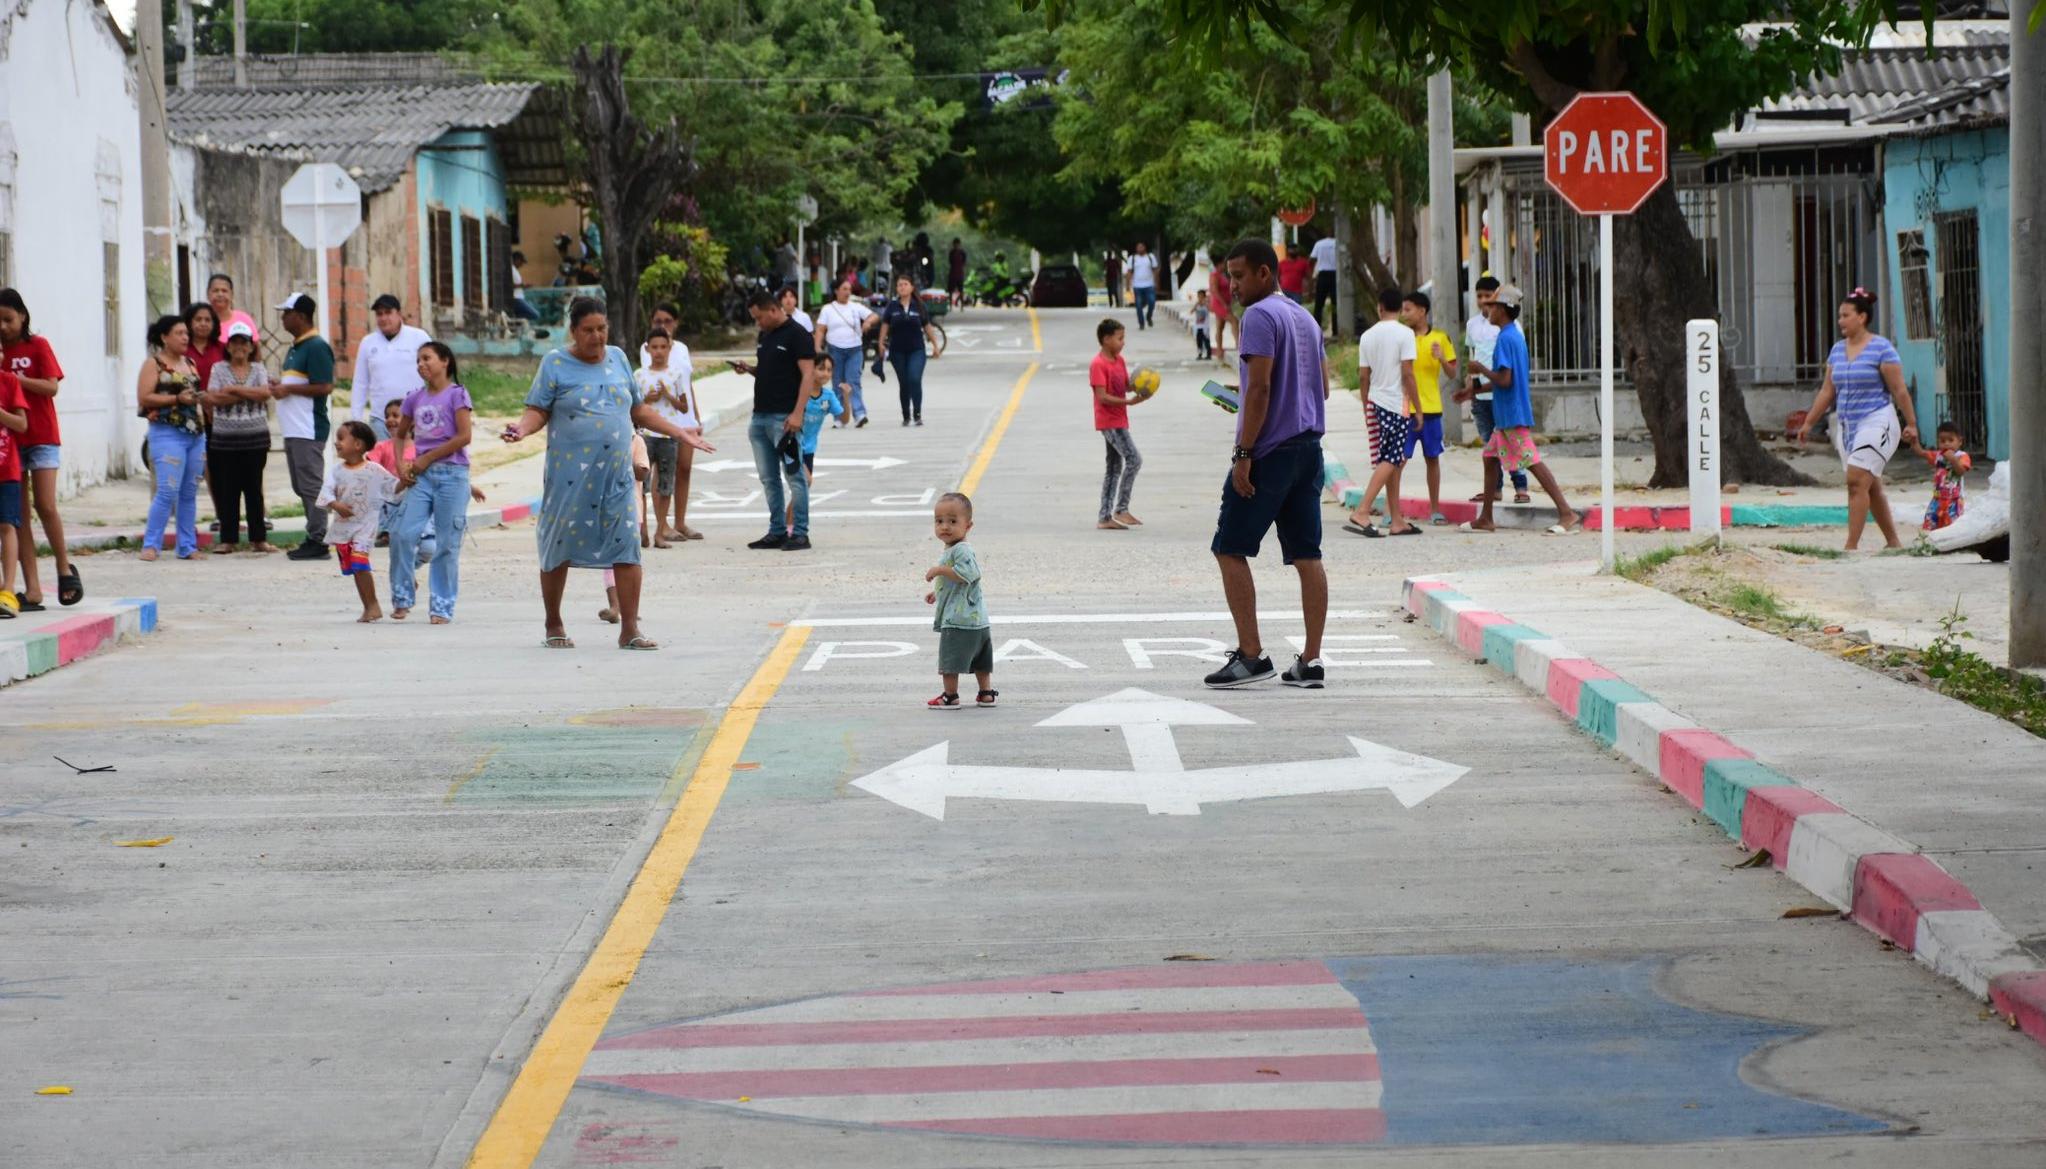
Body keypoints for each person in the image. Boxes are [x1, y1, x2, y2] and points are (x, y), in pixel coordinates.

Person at [502, 297, 715, 649]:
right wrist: (522, 429)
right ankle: (554, 623)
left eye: (602, 329)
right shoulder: (555, 363)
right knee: (557, 546)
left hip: (616, 478)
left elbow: (638, 410)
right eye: (588, 330)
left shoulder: (617, 358)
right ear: (573, 331)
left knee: (627, 545)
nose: (597, 336)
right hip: (569, 479)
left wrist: (680, 432)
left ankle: (630, 629)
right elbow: (537, 410)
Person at [1209, 239, 1330, 690]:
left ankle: (1251, 655)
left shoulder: (1258, 317)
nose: (1233, 286)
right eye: (1230, 277)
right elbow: (1319, 388)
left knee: (1229, 548)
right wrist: (1243, 398)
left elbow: (1261, 388)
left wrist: (1243, 454)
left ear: (1265, 272)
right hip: (1308, 451)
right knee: (1307, 555)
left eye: (1239, 276)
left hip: (1269, 454)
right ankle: (1311, 661)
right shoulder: (1304, 317)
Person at [1796, 288, 1918, 551]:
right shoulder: (1837, 351)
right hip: (1847, 426)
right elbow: (1827, 391)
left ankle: (1850, 547)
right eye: (1840, 316)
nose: (1840, 320)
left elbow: (1899, 390)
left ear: (1862, 317)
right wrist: (1808, 422)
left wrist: (1911, 424)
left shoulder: (1882, 348)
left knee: (1855, 481)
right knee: (1870, 485)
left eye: (1845, 315)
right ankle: (1894, 542)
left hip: (1877, 421)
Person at [1457, 284, 1580, 534]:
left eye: (1492, 306)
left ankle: (1566, 513)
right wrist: (1474, 390)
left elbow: (1505, 380)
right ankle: (1486, 517)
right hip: (1507, 414)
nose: (1488, 309)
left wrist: (1479, 369)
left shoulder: (1505, 338)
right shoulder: (1513, 335)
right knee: (1489, 458)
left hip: (1511, 414)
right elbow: (1505, 379)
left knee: (1532, 461)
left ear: (1503, 310)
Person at [0, 288, 81, 607]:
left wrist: (11, 379)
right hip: (10, 443)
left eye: (8, 319)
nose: (4, 326)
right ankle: (32, 588)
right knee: (17, 517)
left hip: (43, 436)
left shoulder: (38, 345)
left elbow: (51, 386)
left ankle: (64, 568)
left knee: (45, 505)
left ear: (22, 316)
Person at [388, 341, 473, 624]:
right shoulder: (414, 398)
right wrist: (401, 464)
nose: (421, 364)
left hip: (453, 475)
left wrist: (427, 458)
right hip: (421, 478)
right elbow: (400, 435)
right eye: (418, 360)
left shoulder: (457, 395)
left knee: (446, 544)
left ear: (445, 361)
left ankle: (441, 607)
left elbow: (464, 436)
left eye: (427, 358)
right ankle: (402, 597)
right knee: (401, 534)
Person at [731, 289, 815, 551]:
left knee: (794, 477)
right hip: (760, 417)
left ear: (773, 310)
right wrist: (749, 370)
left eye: (759, 317)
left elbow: (808, 375)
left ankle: (800, 533)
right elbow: (771, 371)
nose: (758, 323)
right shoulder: (765, 336)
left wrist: (798, 413)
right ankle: (777, 531)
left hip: (785, 419)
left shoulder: (798, 334)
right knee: (769, 479)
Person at [1346, 288, 1422, 539]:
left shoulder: (1367, 336)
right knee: (1391, 458)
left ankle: (1396, 519)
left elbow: (1363, 376)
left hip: (1375, 403)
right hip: (1396, 404)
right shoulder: (1405, 334)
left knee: (1391, 460)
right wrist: (1418, 409)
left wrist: (1366, 405)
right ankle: (1363, 510)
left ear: (1380, 308)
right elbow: (1408, 374)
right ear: (1400, 308)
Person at [135, 314, 206, 561]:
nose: (185, 337)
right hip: (167, 433)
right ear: (164, 337)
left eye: (186, 333)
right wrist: (177, 399)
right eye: (179, 333)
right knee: (167, 490)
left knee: (189, 491)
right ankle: (151, 545)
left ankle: (187, 545)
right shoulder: (153, 364)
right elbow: (144, 397)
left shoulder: (190, 363)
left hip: (195, 434)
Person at [204, 321, 277, 554]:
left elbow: (265, 393)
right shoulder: (218, 369)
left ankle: (258, 539)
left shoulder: (258, 369)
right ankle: (228, 539)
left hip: (255, 439)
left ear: (251, 346)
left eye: (243, 342)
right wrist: (248, 393)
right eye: (234, 342)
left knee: (254, 489)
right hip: (225, 439)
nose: (239, 347)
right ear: (228, 346)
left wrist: (233, 390)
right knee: (228, 489)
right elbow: (213, 398)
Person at [273, 294, 337, 561]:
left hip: (308, 428)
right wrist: (281, 386)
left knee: (311, 486)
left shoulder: (316, 347)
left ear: (299, 316)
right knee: (301, 486)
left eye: (286, 313)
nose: (282, 318)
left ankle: (318, 539)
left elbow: (325, 386)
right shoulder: (296, 348)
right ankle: (313, 533)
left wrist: (288, 390)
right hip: (294, 429)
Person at [316, 420, 396, 623]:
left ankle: (373, 606)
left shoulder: (375, 470)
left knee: (360, 563)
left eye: (341, 438)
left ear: (358, 444)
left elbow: (394, 489)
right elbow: (326, 492)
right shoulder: (336, 471)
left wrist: (407, 479)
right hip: (344, 529)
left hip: (366, 528)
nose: (336, 442)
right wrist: (335, 505)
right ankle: (369, 605)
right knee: (355, 568)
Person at [924, 491, 995, 710]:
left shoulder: (962, 550)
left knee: (950, 659)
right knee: (980, 659)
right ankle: (985, 693)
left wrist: (939, 570)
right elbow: (957, 582)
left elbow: (968, 574)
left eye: (953, 521)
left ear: (968, 526)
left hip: (958, 618)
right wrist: (938, 592)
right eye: (939, 521)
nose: (945, 527)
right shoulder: (953, 549)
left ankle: (950, 696)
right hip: (975, 618)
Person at [638, 305, 703, 542]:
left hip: (683, 417)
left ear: (676, 322)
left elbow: (687, 384)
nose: (663, 325)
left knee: (683, 468)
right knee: (659, 472)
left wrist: (696, 415)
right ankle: (661, 526)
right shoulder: (647, 349)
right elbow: (647, 382)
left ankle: (680, 522)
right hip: (659, 421)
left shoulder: (682, 349)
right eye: (658, 321)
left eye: (667, 321)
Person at [1463, 277, 1528, 504]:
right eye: (1480, 296)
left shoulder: (1509, 332)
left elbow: (1509, 374)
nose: (1484, 302)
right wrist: (1472, 385)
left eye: (1489, 298)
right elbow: (1473, 356)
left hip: (1505, 399)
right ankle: (1493, 492)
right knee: (1490, 448)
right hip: (1484, 395)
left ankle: (1521, 486)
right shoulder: (1474, 325)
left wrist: (1482, 370)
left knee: (1517, 448)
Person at [1403, 290, 1457, 524]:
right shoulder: (1402, 337)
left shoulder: (1441, 338)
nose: (1405, 314)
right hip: (1406, 409)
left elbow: (1452, 373)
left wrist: (1442, 357)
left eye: (1408, 310)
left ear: (1422, 311)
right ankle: (1390, 512)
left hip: (1432, 409)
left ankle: (1435, 510)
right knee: (1398, 461)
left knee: (1432, 459)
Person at [1090, 319, 1148, 531]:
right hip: (1109, 421)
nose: (1123, 342)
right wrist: (1129, 402)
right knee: (1134, 459)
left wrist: (1143, 386)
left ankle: (1104, 517)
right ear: (1106, 339)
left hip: (1120, 419)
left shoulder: (1119, 360)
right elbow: (1102, 396)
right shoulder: (1098, 364)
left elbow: (1125, 385)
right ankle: (1121, 509)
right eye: (1119, 338)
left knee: (1114, 468)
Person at [352, 294, 431, 440]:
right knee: (381, 455)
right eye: (379, 314)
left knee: (414, 455)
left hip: (414, 418)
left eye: (388, 312)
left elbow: (434, 372)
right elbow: (360, 382)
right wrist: (356, 419)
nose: (383, 318)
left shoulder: (419, 337)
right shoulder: (368, 342)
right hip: (380, 420)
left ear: (399, 314)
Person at [787, 352, 849, 531]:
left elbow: (844, 419)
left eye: (829, 370)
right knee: (805, 482)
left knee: (801, 488)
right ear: (810, 369)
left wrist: (846, 397)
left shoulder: (828, 396)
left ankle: (786, 524)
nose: (825, 373)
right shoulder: (799, 392)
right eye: (821, 368)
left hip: (809, 450)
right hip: (792, 445)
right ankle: (790, 526)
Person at [878, 274, 941, 427]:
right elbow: (885, 325)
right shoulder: (892, 306)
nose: (902, 287)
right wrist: (881, 343)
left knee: (914, 379)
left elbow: (927, 326)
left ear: (912, 287)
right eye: (900, 285)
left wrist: (935, 345)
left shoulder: (919, 306)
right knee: (904, 382)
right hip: (897, 351)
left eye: (905, 284)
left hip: (916, 350)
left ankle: (917, 414)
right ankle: (906, 415)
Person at [816, 280, 876, 427]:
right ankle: (839, 417)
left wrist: (868, 322)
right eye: (844, 289)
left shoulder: (855, 307)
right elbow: (820, 329)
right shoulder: (828, 309)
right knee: (838, 383)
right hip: (835, 350)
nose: (847, 292)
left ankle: (859, 414)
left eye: (849, 289)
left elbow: (874, 315)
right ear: (836, 291)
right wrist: (817, 347)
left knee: (853, 381)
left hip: (854, 349)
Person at [1913, 421, 1971, 531]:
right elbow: (1921, 452)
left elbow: (1961, 471)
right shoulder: (1938, 455)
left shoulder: (1962, 456)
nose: (1947, 444)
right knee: (1930, 524)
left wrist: (1953, 459)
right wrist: (1914, 441)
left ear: (1959, 441)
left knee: (1952, 527)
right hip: (1937, 498)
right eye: (1943, 441)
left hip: (1954, 500)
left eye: (1951, 440)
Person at [0, 366, 24, 616]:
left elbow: (21, 424)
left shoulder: (9, 382)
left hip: (7, 469)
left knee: (7, 525)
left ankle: (8, 590)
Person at [206, 274, 259, 343]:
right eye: (216, 291)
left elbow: (255, 346)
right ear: (208, 294)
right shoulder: (202, 321)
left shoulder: (244, 319)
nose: (220, 294)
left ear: (231, 294)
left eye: (224, 291)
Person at [1308, 232, 1339, 336]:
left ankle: (1316, 331)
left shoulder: (1319, 244)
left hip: (1323, 275)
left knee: (1319, 304)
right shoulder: (1338, 243)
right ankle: (1335, 331)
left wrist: (1313, 271)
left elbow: (1312, 259)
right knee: (1335, 304)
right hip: (1335, 275)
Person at [1208, 258, 1234, 364]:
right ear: (1218, 264)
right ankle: (1238, 345)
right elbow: (1214, 290)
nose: (1225, 265)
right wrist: (1224, 304)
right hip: (1219, 303)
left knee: (1220, 326)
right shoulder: (1214, 275)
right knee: (1234, 321)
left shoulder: (1222, 275)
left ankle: (1219, 350)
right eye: (1223, 264)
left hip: (1224, 303)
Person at [1127, 242, 1159, 329]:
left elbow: (1155, 270)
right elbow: (1129, 272)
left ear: (1145, 247)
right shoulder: (1132, 258)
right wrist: (1128, 285)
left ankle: (1148, 316)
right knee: (1138, 305)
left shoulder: (1150, 257)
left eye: (1141, 247)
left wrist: (1156, 283)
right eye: (1138, 247)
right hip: (1137, 286)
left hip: (1149, 284)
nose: (1139, 248)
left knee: (1152, 302)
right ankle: (1141, 323)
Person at [508, 251, 541, 322]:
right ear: (517, 259)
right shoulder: (511, 269)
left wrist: (524, 286)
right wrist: (523, 285)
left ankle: (514, 318)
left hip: (519, 298)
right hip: (516, 298)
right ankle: (513, 318)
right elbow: (508, 285)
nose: (522, 264)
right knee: (535, 314)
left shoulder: (515, 270)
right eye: (521, 262)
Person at [947, 238, 968, 308]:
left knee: (961, 290)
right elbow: (950, 262)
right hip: (952, 273)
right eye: (955, 244)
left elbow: (964, 262)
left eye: (957, 244)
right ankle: (950, 306)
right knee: (950, 290)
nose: (956, 245)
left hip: (960, 274)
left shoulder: (962, 253)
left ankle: (962, 306)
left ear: (959, 244)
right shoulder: (951, 252)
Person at [1193, 290, 1212, 360]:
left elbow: (1211, 310)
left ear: (1204, 297)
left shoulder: (1206, 304)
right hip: (1198, 327)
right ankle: (1200, 354)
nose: (1200, 298)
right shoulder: (1197, 304)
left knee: (1206, 341)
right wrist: (1196, 305)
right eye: (1199, 296)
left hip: (1205, 327)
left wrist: (1206, 304)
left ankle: (1208, 354)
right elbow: (1191, 311)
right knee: (1199, 342)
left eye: (1201, 296)